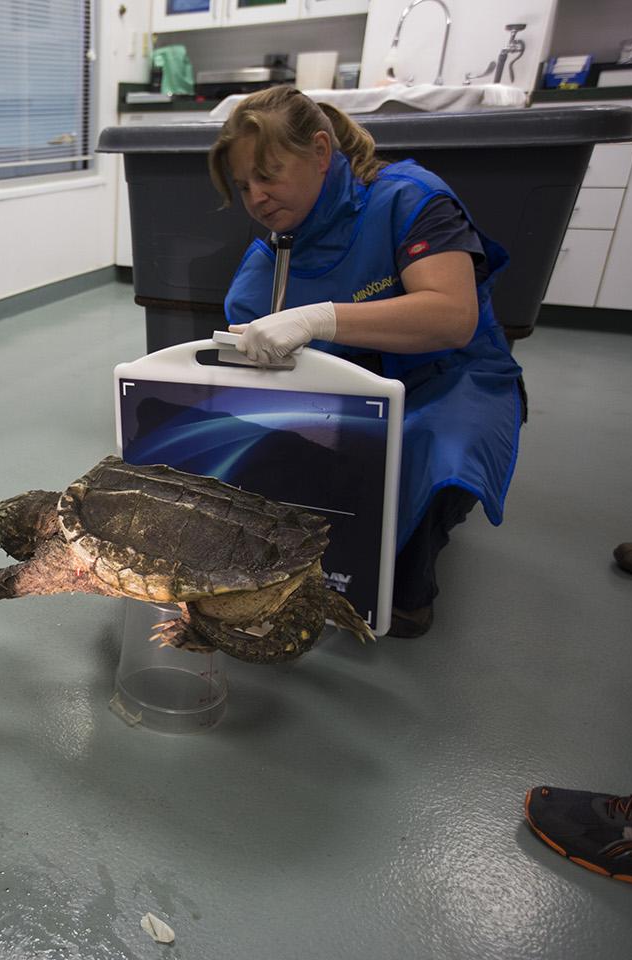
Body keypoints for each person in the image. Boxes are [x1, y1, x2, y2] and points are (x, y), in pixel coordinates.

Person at [209, 86, 524, 639]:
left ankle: (415, 569)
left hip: (448, 379)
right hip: (344, 395)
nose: (256, 197)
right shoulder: (266, 266)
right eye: (243, 185)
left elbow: (453, 317)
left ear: (321, 151)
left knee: (426, 453)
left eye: (269, 174)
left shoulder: (409, 199)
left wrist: (323, 319)